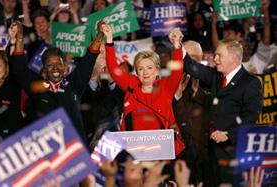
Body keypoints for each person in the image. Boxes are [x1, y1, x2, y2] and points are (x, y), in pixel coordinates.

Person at [173, 27, 263, 186]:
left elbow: (251, 118)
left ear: (234, 58)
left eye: (219, 55)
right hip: (210, 154)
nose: (215, 59)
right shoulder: (215, 76)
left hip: (232, 154)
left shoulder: (250, 83)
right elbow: (192, 67)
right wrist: (177, 45)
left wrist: (229, 134)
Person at [9, 20, 105, 142]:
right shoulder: (37, 86)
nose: (55, 68)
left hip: (74, 151)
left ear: (64, 68)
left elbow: (88, 60)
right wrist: (20, 37)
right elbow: (19, 69)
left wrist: (100, 35)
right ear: (44, 69)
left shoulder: (74, 84)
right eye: (50, 65)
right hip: (47, 152)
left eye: (58, 64)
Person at [102, 23, 185, 155]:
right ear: (136, 72)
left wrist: (176, 46)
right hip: (134, 153)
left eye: (149, 68)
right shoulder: (131, 85)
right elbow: (114, 69)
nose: (145, 73)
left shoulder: (165, 87)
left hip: (162, 153)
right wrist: (109, 41)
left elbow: (177, 70)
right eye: (141, 69)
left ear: (157, 71)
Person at [172, 40, 212, 186]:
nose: (190, 62)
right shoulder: (169, 85)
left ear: (202, 60)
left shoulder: (211, 84)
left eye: (195, 58)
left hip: (205, 161)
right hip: (181, 161)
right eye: (187, 56)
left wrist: (197, 92)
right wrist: (177, 96)